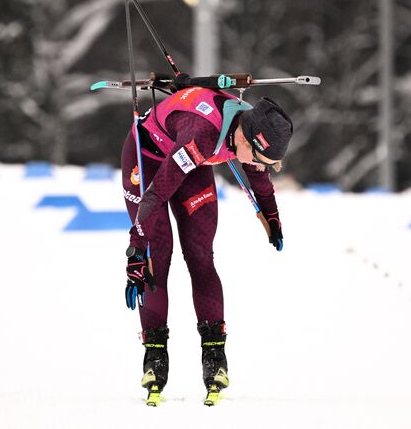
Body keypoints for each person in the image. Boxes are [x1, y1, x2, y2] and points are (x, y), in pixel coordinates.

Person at [121, 85, 293, 399]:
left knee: (201, 255)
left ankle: (215, 356)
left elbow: (257, 174)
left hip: (192, 164)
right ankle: (155, 356)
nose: (260, 166)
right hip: (148, 159)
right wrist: (136, 248)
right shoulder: (201, 137)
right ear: (243, 139)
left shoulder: (251, 127)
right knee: (156, 257)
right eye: (259, 158)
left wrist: (272, 215)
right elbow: (157, 194)